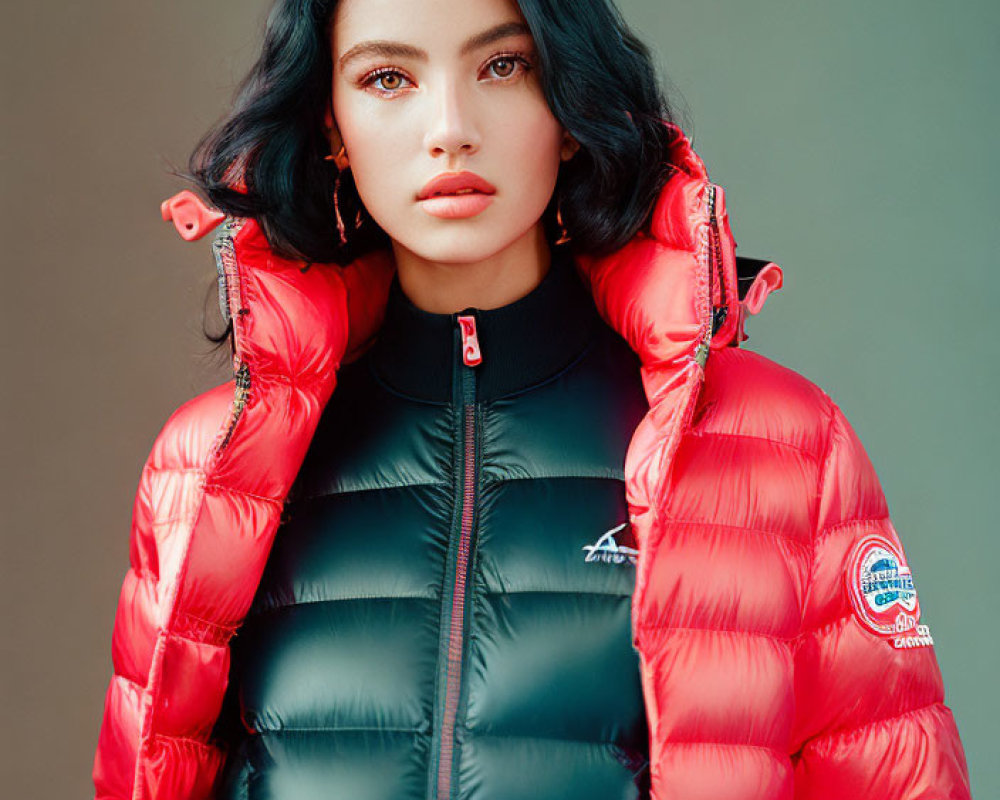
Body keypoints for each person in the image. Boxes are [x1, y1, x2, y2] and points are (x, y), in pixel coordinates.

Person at [91, 0, 972, 798]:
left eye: (503, 66)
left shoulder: (779, 443)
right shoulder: (205, 469)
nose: (449, 130)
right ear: (333, 126)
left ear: (570, 109)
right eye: (388, 78)